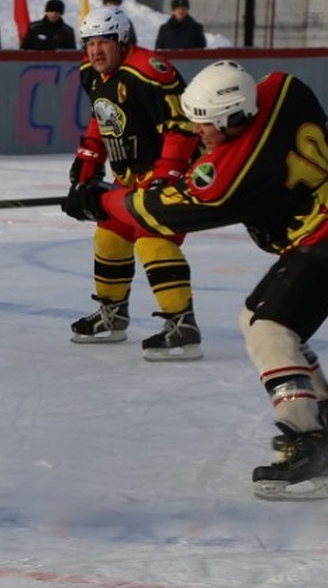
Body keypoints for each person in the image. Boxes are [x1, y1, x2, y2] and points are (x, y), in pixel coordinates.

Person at [63, 60, 328, 499]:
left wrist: (102, 201)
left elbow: (162, 211)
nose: (197, 132)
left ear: (234, 118)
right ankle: (318, 414)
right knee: (260, 322)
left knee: (269, 327)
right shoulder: (286, 91)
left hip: (320, 239)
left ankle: (311, 445)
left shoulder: (231, 177)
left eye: (205, 124)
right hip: (317, 229)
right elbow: (217, 158)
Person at [61, 6, 202, 359]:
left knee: (153, 240)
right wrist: (87, 163)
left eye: (104, 41)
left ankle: (182, 325)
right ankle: (113, 314)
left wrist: (166, 174)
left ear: (122, 41)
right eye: (89, 42)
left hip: (170, 176)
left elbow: (182, 126)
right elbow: (102, 118)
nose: (95, 50)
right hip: (128, 177)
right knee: (110, 235)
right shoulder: (90, 73)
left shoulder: (151, 72)